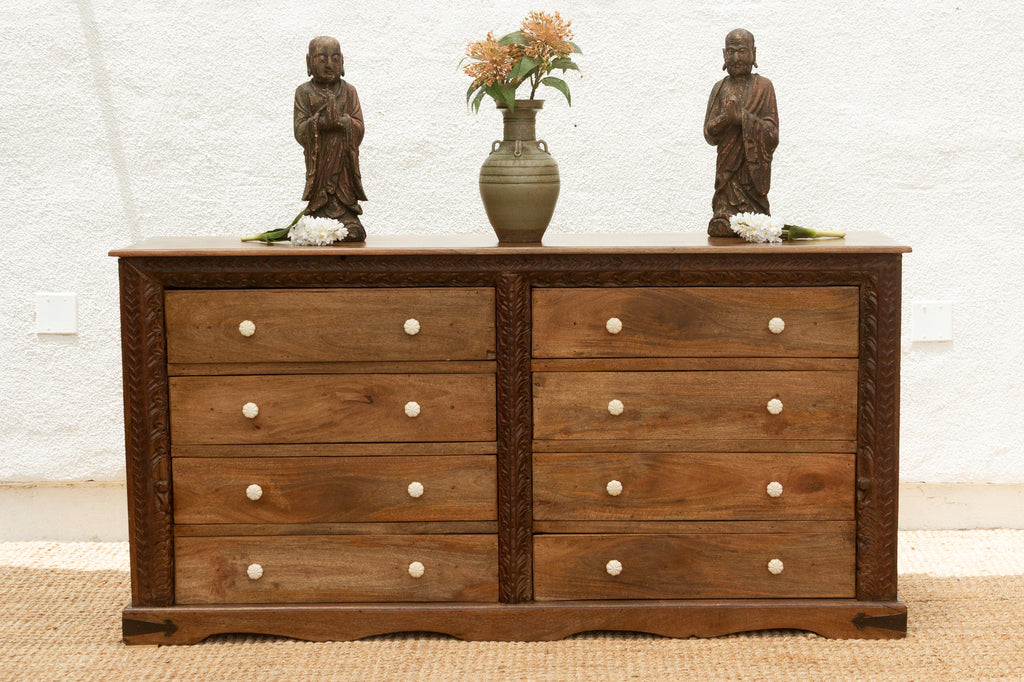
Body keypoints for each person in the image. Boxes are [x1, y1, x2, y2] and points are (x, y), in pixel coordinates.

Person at [703, 29, 779, 237]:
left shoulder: (764, 87)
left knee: (757, 221)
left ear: (753, 53)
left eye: (742, 51)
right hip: (727, 172)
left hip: (752, 174)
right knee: (722, 223)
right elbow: (709, 134)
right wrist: (726, 119)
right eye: (731, 52)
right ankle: (723, 216)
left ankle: (754, 220)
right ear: (724, 55)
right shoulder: (719, 88)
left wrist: (743, 119)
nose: (736, 58)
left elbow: (772, 134)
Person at [294, 36, 367, 241]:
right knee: (317, 208)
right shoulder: (304, 92)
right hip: (320, 164)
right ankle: (319, 213)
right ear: (309, 62)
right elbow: (299, 130)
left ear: (342, 61)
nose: (329, 65)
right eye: (322, 58)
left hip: (344, 163)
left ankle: (345, 215)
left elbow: (359, 127)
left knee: (353, 229)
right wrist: (319, 124)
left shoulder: (349, 91)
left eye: (335, 59)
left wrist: (345, 122)